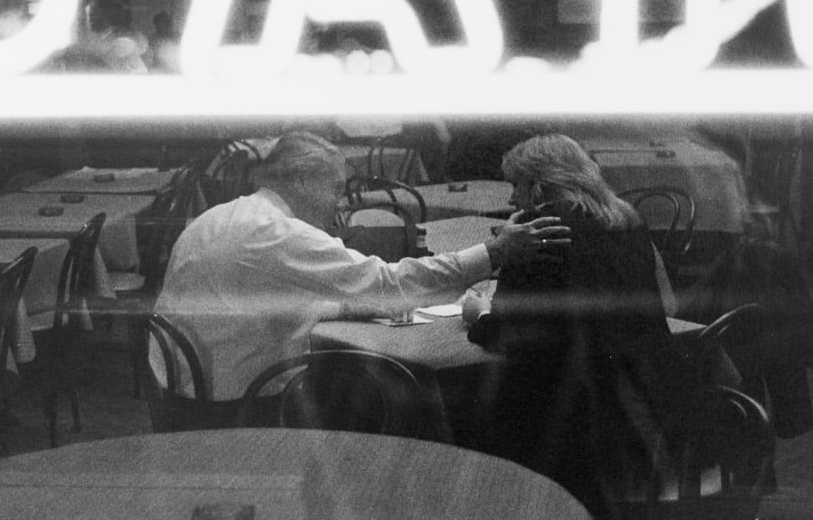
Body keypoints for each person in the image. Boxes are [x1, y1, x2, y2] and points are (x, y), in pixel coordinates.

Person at [155, 130, 570, 399]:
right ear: (301, 180)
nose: (339, 202)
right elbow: (388, 284)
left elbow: (269, 299)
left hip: (176, 381)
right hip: (230, 394)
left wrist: (357, 303)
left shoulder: (226, 216)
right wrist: (494, 253)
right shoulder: (276, 233)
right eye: (335, 188)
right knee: (376, 394)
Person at [468, 133, 683, 520]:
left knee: (474, 416)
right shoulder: (626, 219)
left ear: (539, 187)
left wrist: (479, 313)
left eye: (516, 186)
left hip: (577, 412)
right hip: (648, 396)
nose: (512, 199)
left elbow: (514, 336)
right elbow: (665, 305)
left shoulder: (540, 232)